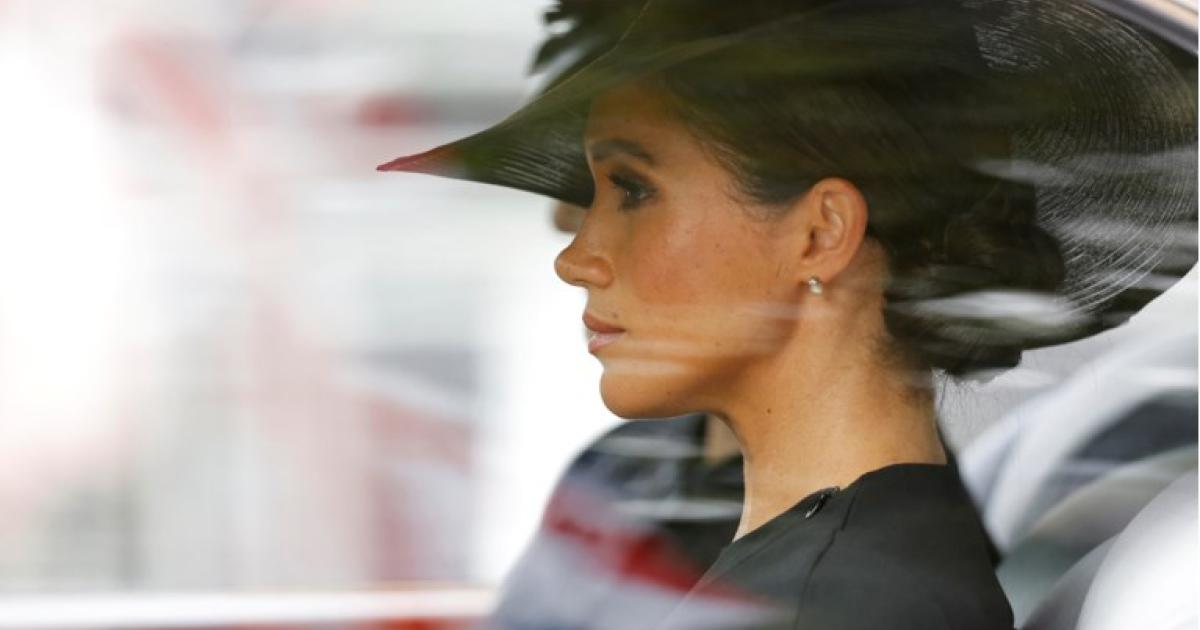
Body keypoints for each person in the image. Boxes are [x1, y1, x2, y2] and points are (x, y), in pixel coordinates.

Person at [381, 0, 1195, 627]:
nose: (574, 256)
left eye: (633, 190)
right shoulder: (824, 563)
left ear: (820, 233)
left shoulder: (845, 600)